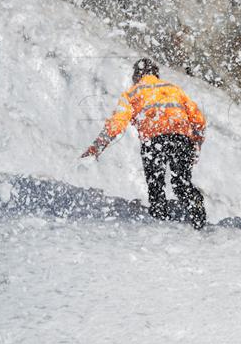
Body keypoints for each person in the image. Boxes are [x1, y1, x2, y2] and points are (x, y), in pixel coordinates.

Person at [81, 58, 207, 229]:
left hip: (154, 140)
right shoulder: (173, 88)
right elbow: (198, 119)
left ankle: (159, 220)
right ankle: (197, 215)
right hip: (181, 137)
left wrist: (96, 148)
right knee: (181, 181)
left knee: (156, 182)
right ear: (156, 73)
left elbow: (116, 124)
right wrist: (196, 144)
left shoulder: (132, 93)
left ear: (136, 75)